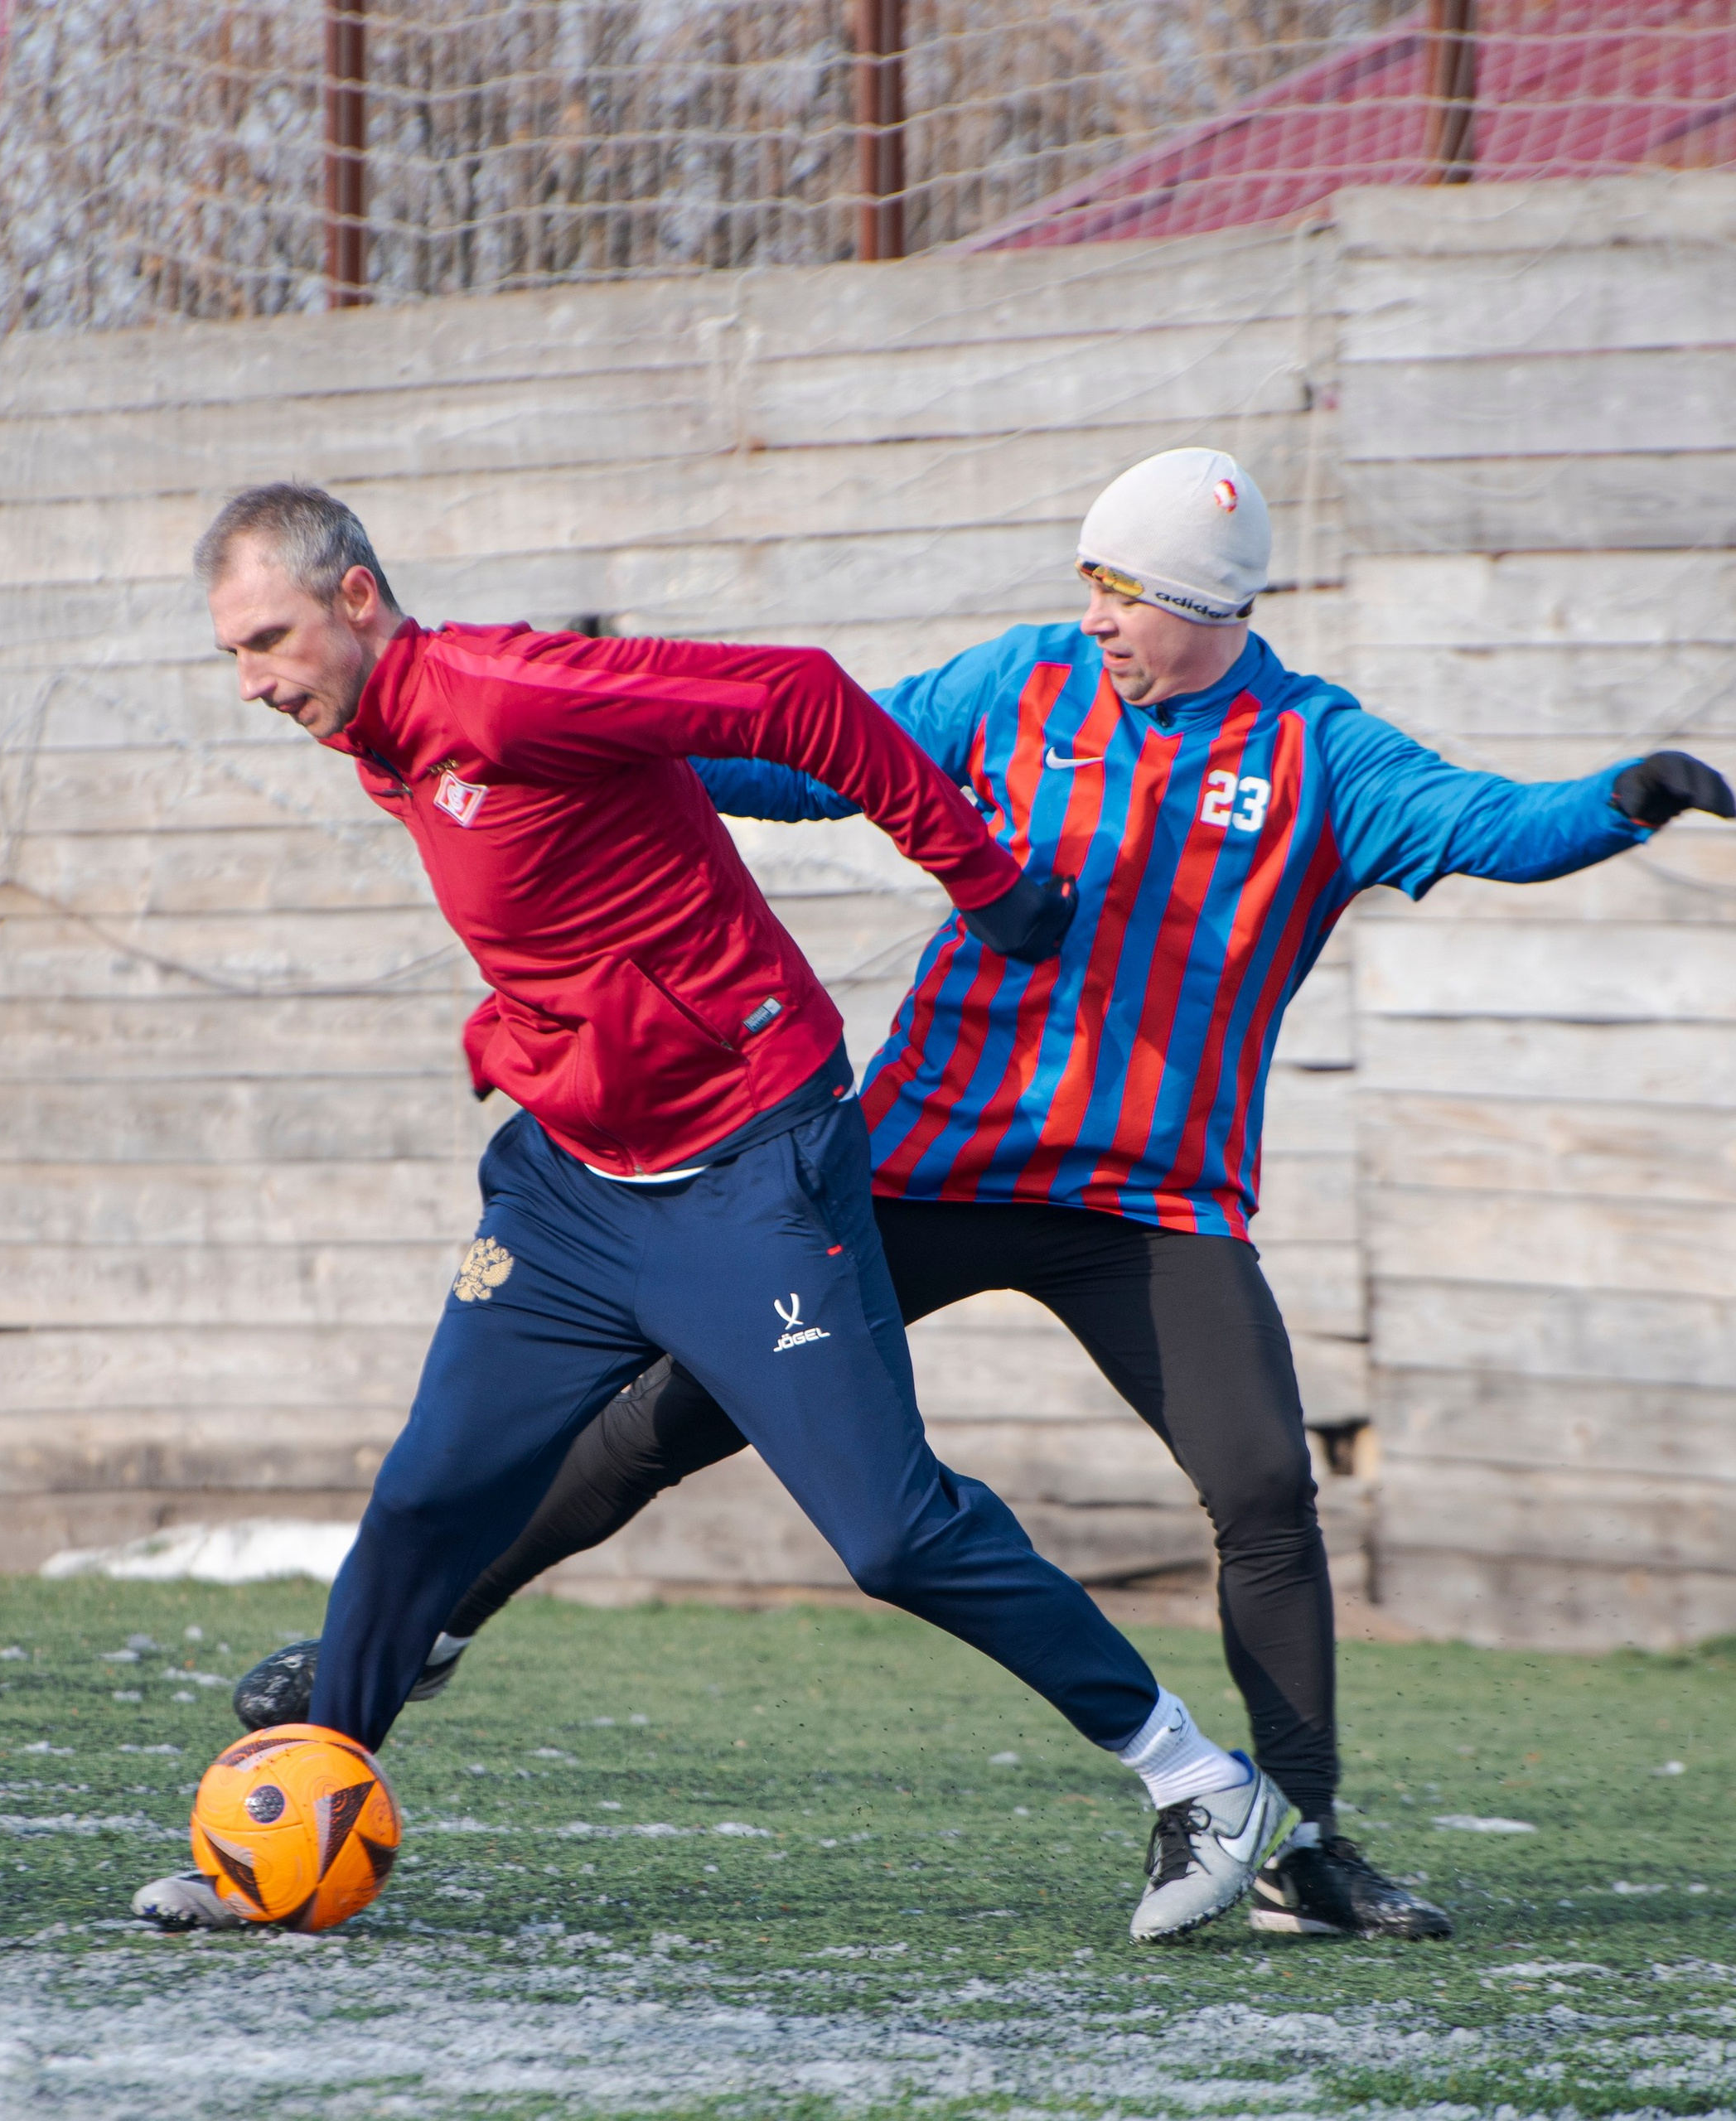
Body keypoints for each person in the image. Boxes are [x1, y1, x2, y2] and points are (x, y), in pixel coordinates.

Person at [216, 450, 1734, 1945]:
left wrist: (1623, 799)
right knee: (670, 1418)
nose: (1098, 622)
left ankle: (1299, 1845)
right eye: (1090, 589)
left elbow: (1494, 827)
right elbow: (817, 747)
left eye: (1128, 597)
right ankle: (429, 1632)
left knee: (1265, 1486)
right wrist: (628, 742)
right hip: (930, 1161)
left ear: (1214, 605)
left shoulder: (1323, 755)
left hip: (1150, 1201)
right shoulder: (1020, 685)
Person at [134, 481, 1294, 1945]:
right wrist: (529, 1030)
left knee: (894, 1534)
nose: (255, 682)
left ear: (357, 596)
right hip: (570, 1190)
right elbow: (577, 901)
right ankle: (288, 1838)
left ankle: (1200, 1781)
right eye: (232, 654)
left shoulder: (506, 689)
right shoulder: (380, 739)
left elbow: (799, 697)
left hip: (749, 1167)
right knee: (429, 1495)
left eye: (269, 640)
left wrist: (983, 879)